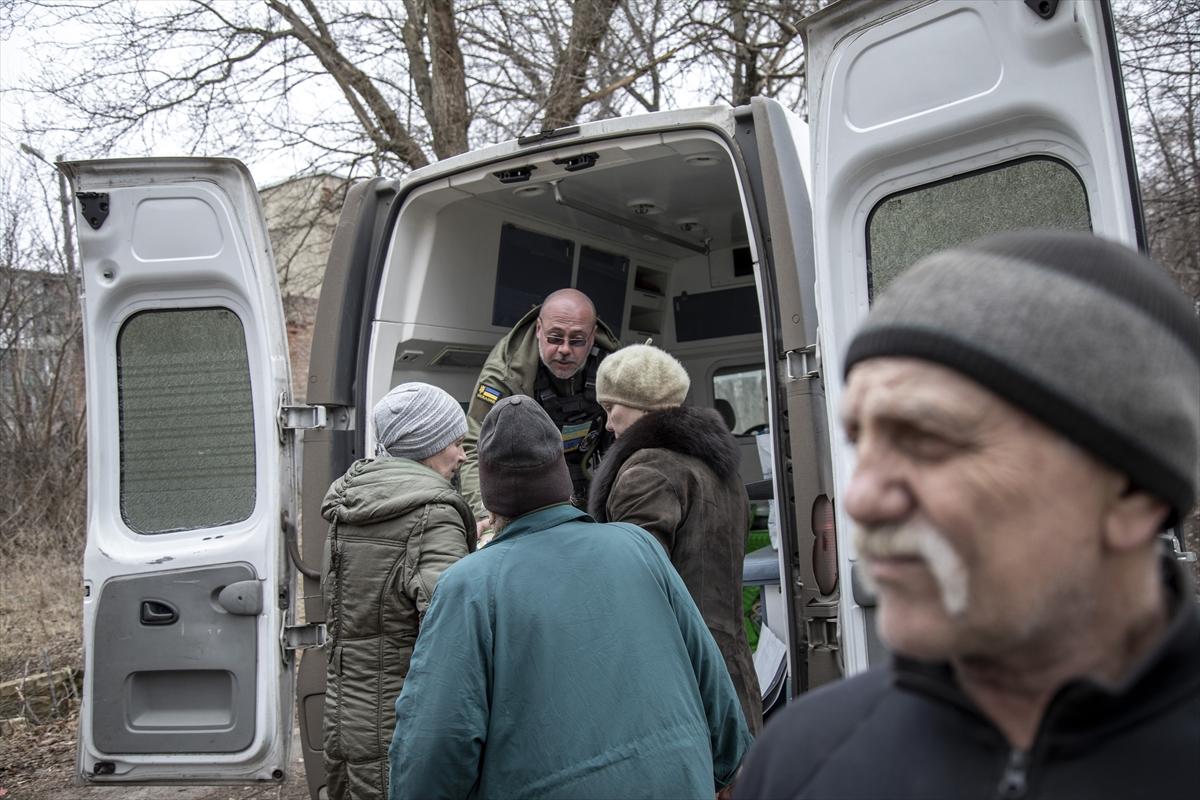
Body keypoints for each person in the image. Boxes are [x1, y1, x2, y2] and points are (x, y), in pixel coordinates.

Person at [734, 230, 1200, 799]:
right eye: (862, 442)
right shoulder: (799, 759)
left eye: (927, 439)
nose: (861, 500)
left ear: (1131, 492)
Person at [388, 395, 753, 799]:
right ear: (561, 477)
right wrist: (725, 767)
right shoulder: (636, 545)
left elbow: (435, 747)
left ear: (491, 503)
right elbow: (710, 675)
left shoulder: (468, 586)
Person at [588, 344, 763, 734]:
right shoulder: (720, 468)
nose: (608, 425)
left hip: (683, 678)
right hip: (731, 663)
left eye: (610, 409)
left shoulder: (648, 471)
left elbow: (636, 587)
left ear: (638, 404)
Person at [320, 382, 475, 800]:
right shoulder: (432, 514)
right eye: (456, 442)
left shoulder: (349, 505)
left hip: (343, 718)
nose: (462, 455)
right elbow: (453, 632)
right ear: (426, 443)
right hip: (401, 723)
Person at [460, 288, 621, 527]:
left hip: (588, 474)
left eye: (577, 341)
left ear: (592, 337)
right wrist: (485, 513)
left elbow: (631, 434)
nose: (565, 350)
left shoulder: (616, 365)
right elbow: (476, 444)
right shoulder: (506, 372)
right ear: (538, 330)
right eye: (554, 338)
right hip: (531, 477)